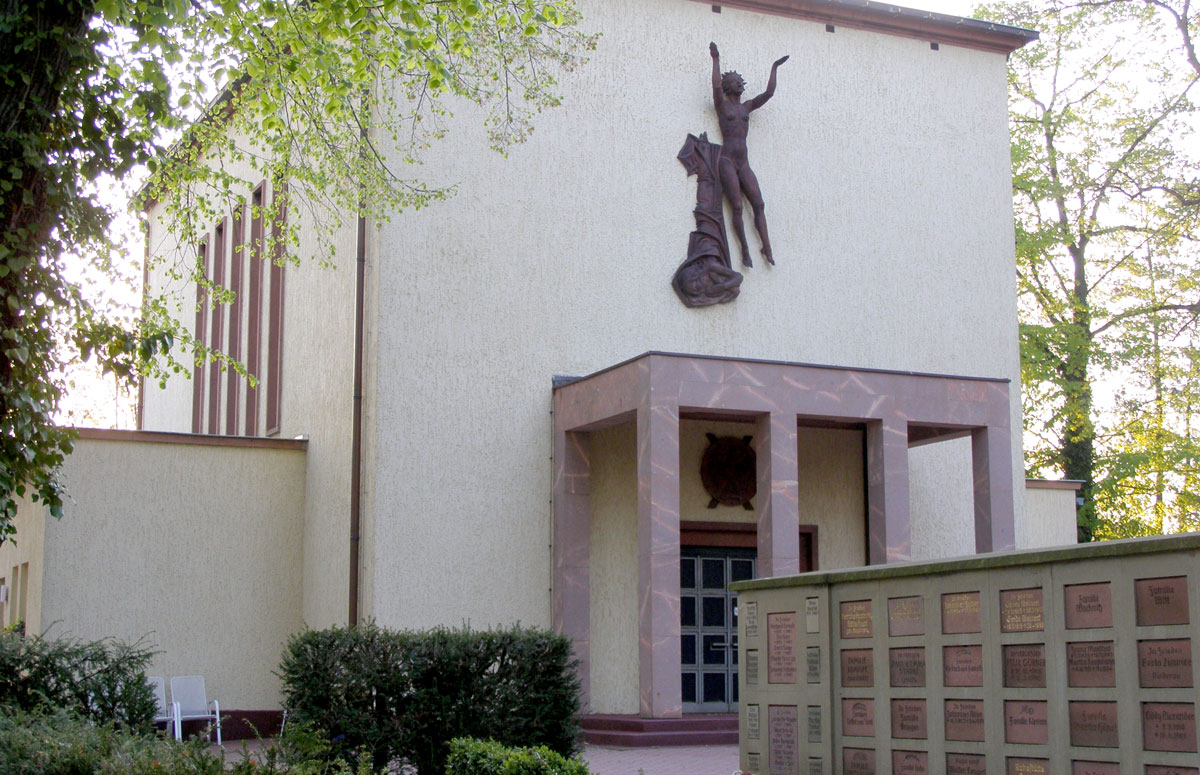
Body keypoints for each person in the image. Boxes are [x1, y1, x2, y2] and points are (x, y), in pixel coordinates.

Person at [709, 42, 788, 267]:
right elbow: (715, 86)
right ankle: (744, 249)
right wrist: (716, 59)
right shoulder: (722, 106)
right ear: (728, 86)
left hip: (743, 162)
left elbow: (769, 93)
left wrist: (774, 67)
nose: (739, 83)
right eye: (735, 81)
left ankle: (766, 247)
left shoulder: (746, 108)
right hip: (726, 160)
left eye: (740, 80)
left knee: (759, 204)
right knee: (737, 206)